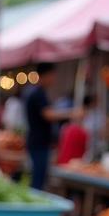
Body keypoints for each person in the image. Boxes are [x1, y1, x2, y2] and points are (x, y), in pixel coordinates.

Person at [24, 62, 82, 190]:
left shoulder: (34, 92)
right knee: (38, 179)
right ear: (46, 75)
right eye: (53, 75)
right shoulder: (37, 93)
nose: (54, 79)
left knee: (38, 177)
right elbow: (48, 115)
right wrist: (72, 113)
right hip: (38, 142)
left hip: (37, 141)